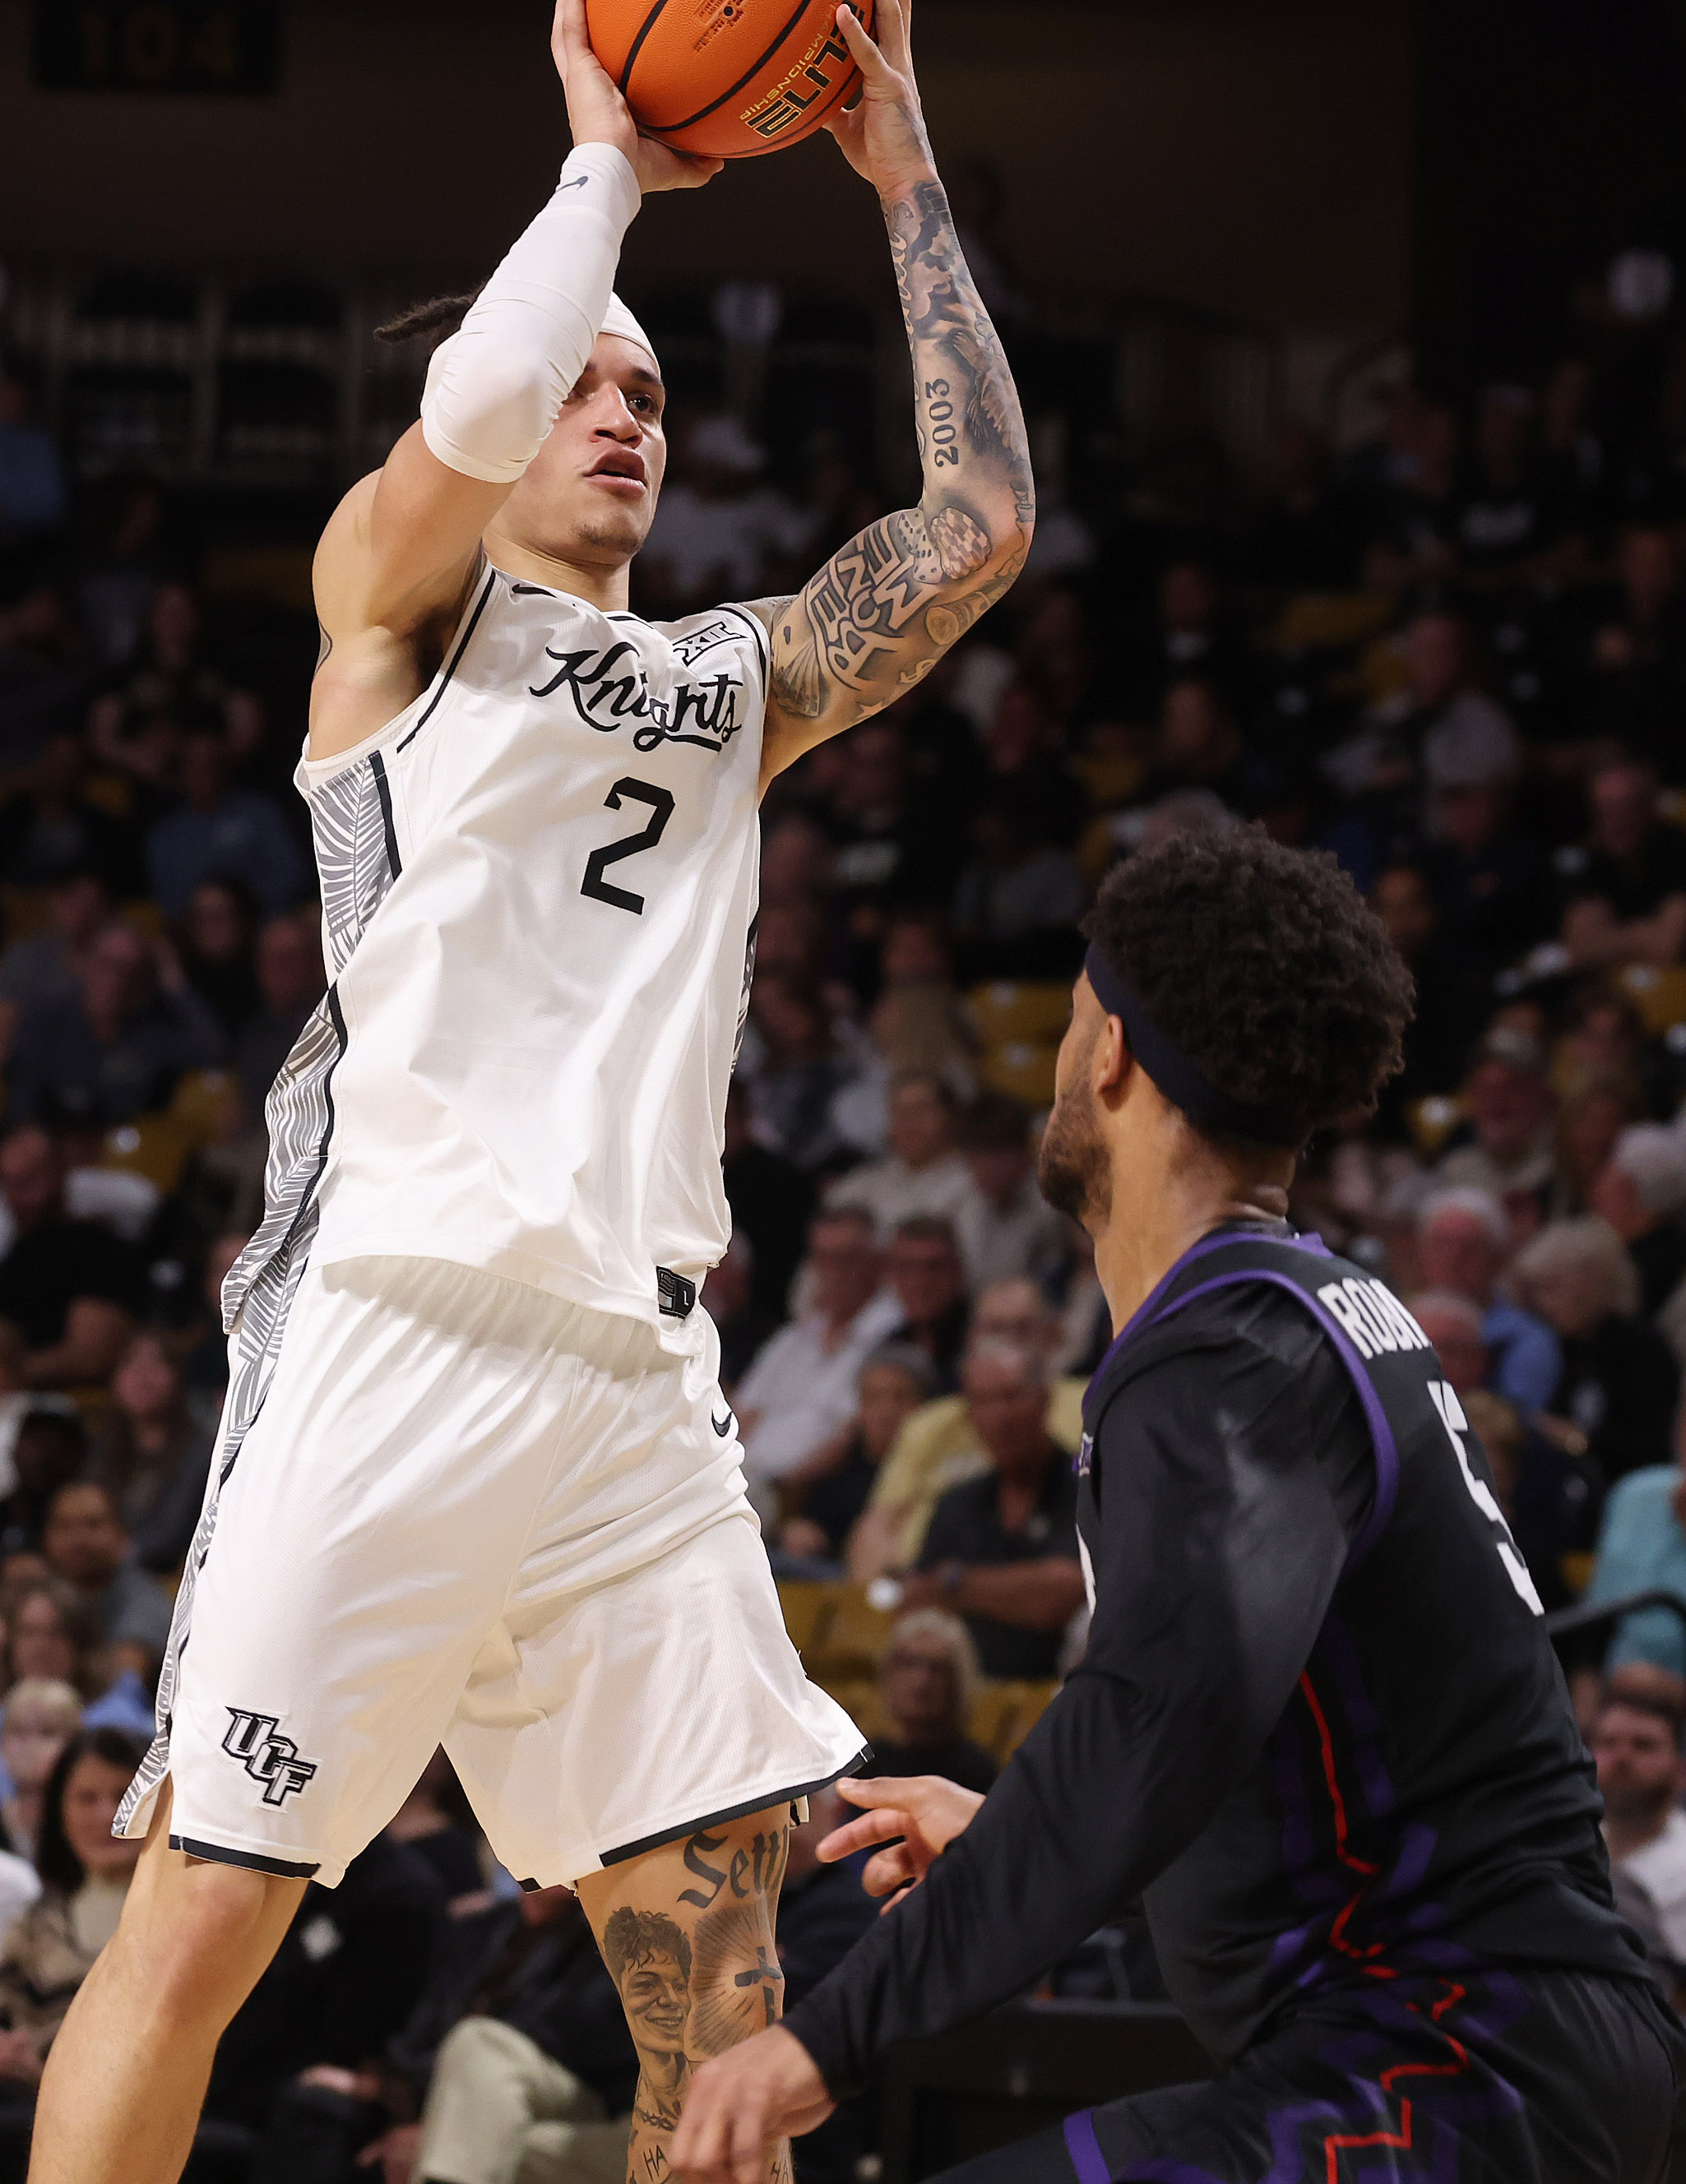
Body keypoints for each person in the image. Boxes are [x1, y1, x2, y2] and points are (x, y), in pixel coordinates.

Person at [35, 10, 1033, 2184]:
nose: (620, 415)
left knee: (728, 2002)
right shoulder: (392, 614)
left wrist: (901, 167)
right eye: (590, 378)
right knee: (204, 1912)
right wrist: (604, 170)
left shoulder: (728, 683)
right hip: (392, 1323)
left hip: (633, 1388)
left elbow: (971, 525)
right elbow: (471, 405)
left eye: (653, 394)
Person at [672, 827, 1679, 2184]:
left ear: (1110, 1055)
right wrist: (1016, 1839)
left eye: (1077, 1011)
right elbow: (1287, 1744)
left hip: (1458, 2057)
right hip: (1495, 2052)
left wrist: (824, 2039)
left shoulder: (1227, 1356)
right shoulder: (1303, 1318)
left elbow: (1156, 1716)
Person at [0, 1728, 145, 2178]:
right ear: (60, 1813)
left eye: (124, 1794)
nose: (107, 1814)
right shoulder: (34, 1924)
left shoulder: (183, 1927)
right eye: (86, 1798)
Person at [901, 1340, 1083, 1680]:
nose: (1001, 1417)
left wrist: (956, 1584)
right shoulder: (956, 1502)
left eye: (1011, 1397)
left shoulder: (1086, 1487)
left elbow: (1063, 1594)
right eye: (984, 1402)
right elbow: (916, 1600)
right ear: (969, 1415)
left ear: (1045, 1400)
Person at [736, 1208, 901, 1488]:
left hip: (811, 1489)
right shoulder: (793, 1338)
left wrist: (786, 1490)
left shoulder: (893, 1334)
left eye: (846, 1259)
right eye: (823, 1259)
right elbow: (741, 1415)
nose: (833, 1272)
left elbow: (851, 1437)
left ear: (877, 1262)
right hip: (743, 1479)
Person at [1513, 1217, 1680, 1480]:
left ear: (1594, 1281)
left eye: (1553, 1288)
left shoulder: (1642, 1350)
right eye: (1538, 1292)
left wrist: (1577, 1441)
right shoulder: (1558, 1348)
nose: (1544, 1305)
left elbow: (1650, 1447)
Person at [0, 1131, 144, 1390]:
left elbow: (90, 1355)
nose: (16, 1197)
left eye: (28, 1182)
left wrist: (16, 1376)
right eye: (8, 1183)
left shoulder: (98, 1249)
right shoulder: (16, 1253)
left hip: (60, 1406)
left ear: (60, 1173)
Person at [776, 1346, 932, 1571]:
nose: (886, 1412)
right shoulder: (843, 1466)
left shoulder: (935, 1476)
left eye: (901, 1397)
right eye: (874, 1398)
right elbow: (811, 1526)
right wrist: (802, 1532)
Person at [1413, 1187, 1560, 1413]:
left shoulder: (1526, 1340)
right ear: (1421, 1251)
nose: (1453, 1258)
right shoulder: (1394, 1317)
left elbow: (1512, 1426)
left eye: (1469, 1247)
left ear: (1498, 1256)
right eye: (1441, 1243)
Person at [39, 1484, 172, 1682]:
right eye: (64, 1526)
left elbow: (127, 1676)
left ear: (123, 1535)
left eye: (93, 1525)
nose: (78, 1539)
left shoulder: (145, 1598)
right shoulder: (40, 1595)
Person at [824, 1071, 975, 1242]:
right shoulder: (863, 1182)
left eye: (922, 1109)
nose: (909, 1121)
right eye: (900, 1111)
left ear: (951, 1117)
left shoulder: (973, 1183)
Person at [1591, 1692, 1686, 1962]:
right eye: (1608, 1743)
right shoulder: (1565, 1846)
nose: (1622, 1756)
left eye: (1643, 1745)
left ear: (1680, 1771)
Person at [868, 1609, 995, 1794]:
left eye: (936, 1668)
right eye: (909, 1663)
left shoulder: (977, 1771)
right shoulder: (866, 1766)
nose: (921, 1681)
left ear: (956, 1682)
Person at [0, 1683, 82, 1862]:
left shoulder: (88, 1829)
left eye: (47, 1732)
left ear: (75, 1744)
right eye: (18, 1731)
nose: (29, 1746)